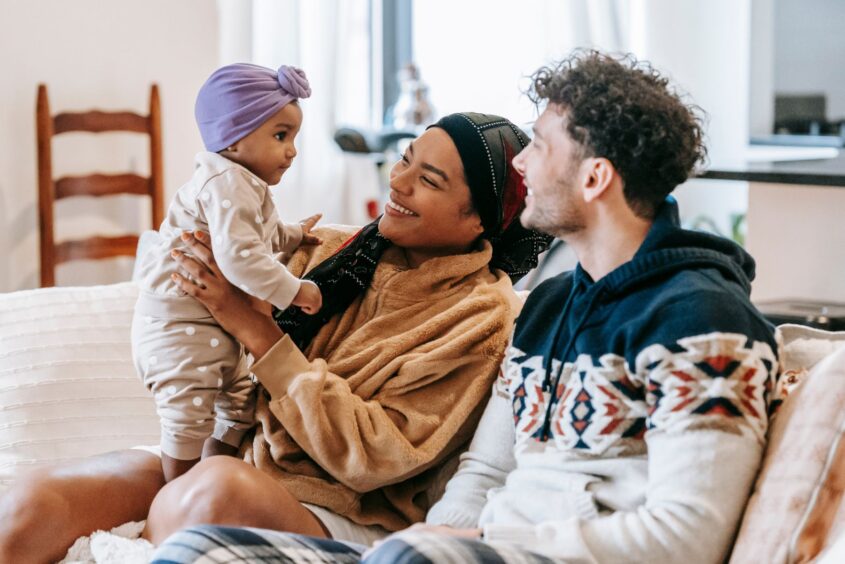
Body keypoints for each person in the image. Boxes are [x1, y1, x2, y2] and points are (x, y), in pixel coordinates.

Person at [151, 50, 781, 564]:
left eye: (539, 146)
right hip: (475, 547)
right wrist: (435, 541)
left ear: (592, 179)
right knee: (192, 550)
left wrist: (469, 547)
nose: (523, 164)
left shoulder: (702, 320)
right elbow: (480, 478)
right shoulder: (552, 307)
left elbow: (688, 537)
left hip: (519, 551)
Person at [0, 112, 551, 564]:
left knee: (210, 493)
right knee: (35, 503)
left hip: (345, 509)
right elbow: (211, 296)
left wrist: (258, 332)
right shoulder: (335, 249)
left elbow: (376, 457)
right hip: (239, 455)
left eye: (428, 181)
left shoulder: (484, 321)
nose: (398, 183)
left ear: (481, 220)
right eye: (406, 159)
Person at [132, 63, 324, 482]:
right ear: (235, 138)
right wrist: (295, 291)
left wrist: (292, 236)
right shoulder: (227, 183)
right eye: (280, 135)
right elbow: (241, 259)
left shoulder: (244, 183)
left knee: (239, 402)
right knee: (188, 415)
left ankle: (210, 474)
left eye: (293, 137)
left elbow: (259, 235)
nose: (292, 151)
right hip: (178, 328)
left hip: (209, 328)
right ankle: (177, 491)